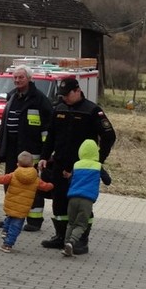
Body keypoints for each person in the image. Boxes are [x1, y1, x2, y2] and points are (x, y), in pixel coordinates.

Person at [40, 76, 116, 250]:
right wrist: (44, 156)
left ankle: (81, 240)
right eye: (62, 95)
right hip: (60, 163)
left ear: (77, 91)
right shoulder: (59, 108)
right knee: (59, 201)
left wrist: (97, 161)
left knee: (81, 205)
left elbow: (109, 136)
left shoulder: (92, 110)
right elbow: (51, 135)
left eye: (67, 94)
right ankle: (61, 236)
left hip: (82, 168)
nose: (64, 98)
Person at [0, 65, 55, 231]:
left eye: (21, 77)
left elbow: (48, 128)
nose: (17, 80)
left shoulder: (39, 99)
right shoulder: (12, 96)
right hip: (12, 149)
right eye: (15, 77)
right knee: (11, 184)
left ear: (29, 78)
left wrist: (45, 152)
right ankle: (12, 217)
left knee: (32, 185)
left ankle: (34, 220)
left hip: (31, 151)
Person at [0, 151, 54, 252]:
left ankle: (5, 231)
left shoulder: (13, 175)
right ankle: (7, 245)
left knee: (9, 218)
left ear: (18, 164)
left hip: (11, 205)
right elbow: (45, 187)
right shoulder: (35, 179)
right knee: (16, 227)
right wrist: (52, 185)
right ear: (32, 164)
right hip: (23, 209)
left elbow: (1, 179)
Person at [61, 138, 103, 256]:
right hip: (87, 199)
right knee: (81, 224)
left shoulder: (76, 165)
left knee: (71, 223)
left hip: (73, 198)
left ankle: (66, 244)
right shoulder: (98, 166)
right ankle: (72, 242)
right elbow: (108, 181)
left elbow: (70, 180)